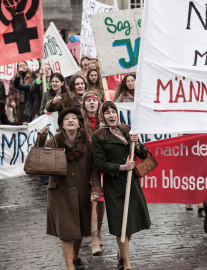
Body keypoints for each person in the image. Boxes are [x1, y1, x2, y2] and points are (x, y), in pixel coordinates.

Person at [36, 107, 101, 270]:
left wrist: (96, 189)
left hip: (81, 190)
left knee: (78, 229)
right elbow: (39, 158)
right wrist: (41, 138)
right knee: (66, 231)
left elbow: (94, 168)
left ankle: (77, 256)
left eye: (74, 118)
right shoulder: (54, 141)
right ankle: (69, 267)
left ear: (79, 123)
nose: (70, 120)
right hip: (59, 192)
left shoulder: (89, 143)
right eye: (66, 119)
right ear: (62, 125)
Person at [91, 101, 151, 270]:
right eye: (107, 112)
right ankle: (127, 263)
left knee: (130, 223)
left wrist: (137, 143)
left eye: (114, 112)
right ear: (102, 116)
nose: (111, 115)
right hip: (114, 185)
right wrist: (122, 167)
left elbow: (142, 153)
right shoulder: (98, 136)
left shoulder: (126, 130)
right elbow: (100, 164)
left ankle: (121, 253)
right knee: (120, 225)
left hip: (131, 183)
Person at [80, 91, 105, 256]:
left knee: (102, 203)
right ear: (84, 104)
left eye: (94, 100)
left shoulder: (105, 121)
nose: (91, 103)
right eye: (88, 100)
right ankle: (93, 237)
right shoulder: (80, 123)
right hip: (88, 167)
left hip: (103, 166)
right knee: (94, 201)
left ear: (98, 104)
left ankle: (99, 230)